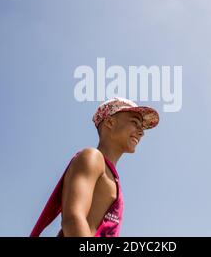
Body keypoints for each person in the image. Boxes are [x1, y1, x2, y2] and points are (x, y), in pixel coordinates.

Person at [30, 97, 159, 237]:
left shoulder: (112, 176)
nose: (141, 132)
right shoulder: (92, 157)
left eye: (142, 127)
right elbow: (73, 218)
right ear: (110, 122)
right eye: (134, 122)